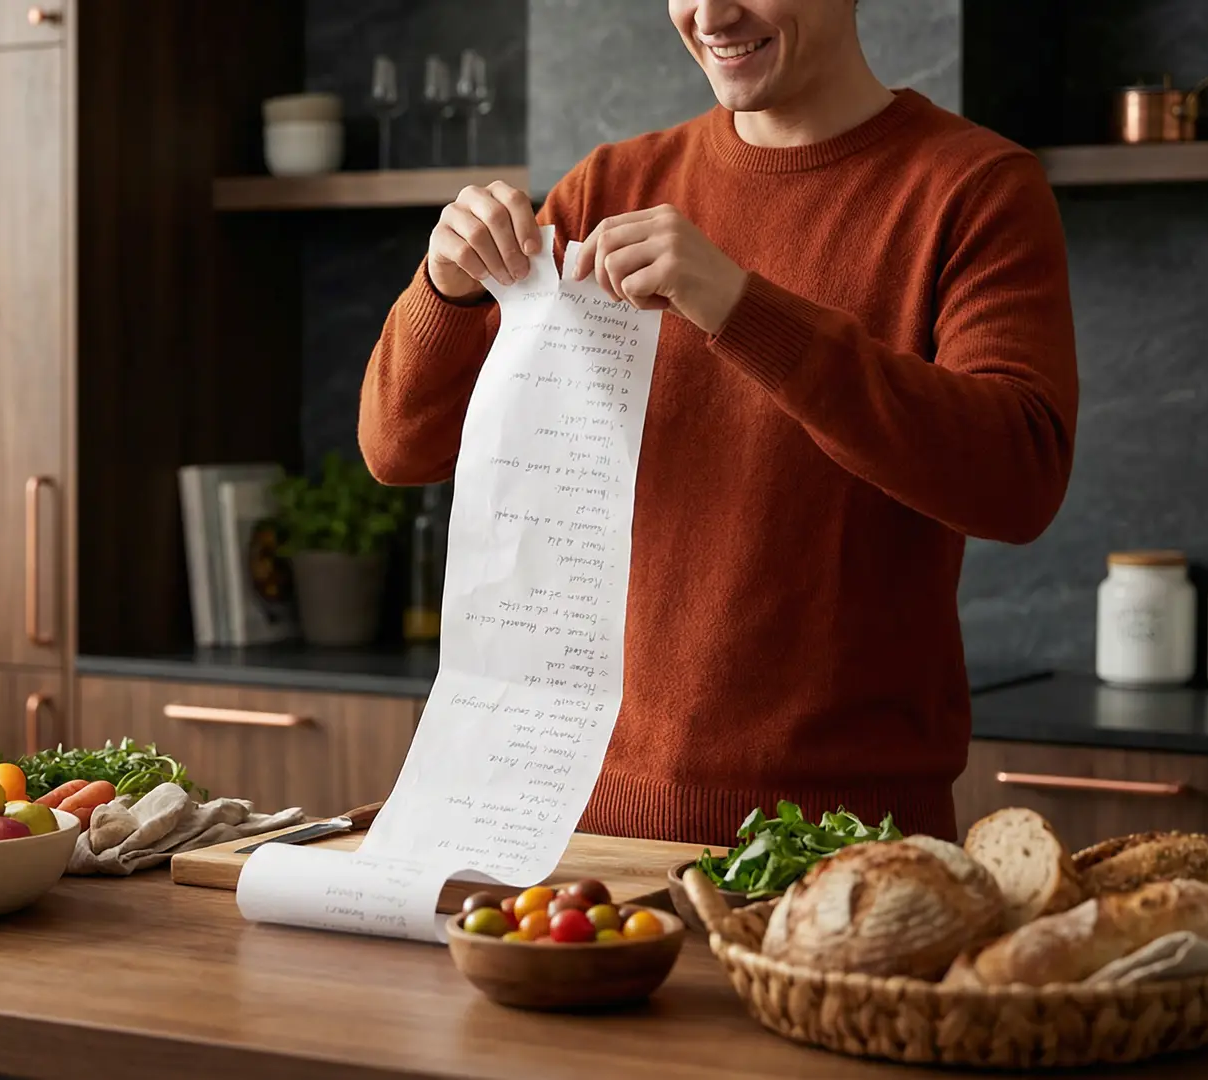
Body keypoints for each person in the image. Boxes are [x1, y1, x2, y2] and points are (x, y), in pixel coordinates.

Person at [358, 0, 1078, 844]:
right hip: (580, 835)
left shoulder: (975, 188)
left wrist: (739, 308)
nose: (712, 12)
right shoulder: (608, 187)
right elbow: (399, 447)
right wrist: (444, 288)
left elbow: (1019, 479)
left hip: (843, 849)